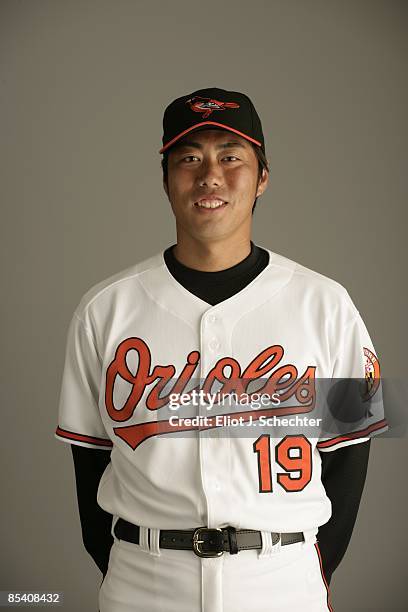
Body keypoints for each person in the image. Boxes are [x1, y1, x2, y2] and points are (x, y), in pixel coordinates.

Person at [55, 87, 387, 612]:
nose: (210, 175)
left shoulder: (326, 304)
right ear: (165, 181)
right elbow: (89, 463)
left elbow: (349, 458)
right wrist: (133, 566)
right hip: (145, 584)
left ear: (263, 177)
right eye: (189, 158)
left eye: (231, 157)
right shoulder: (106, 309)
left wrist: (305, 572)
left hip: (282, 583)